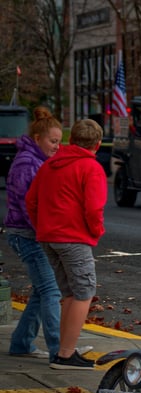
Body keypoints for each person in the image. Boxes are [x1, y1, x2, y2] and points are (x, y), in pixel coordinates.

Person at [26, 119, 107, 370]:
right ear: (98, 144)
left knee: (69, 293)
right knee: (84, 291)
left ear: (70, 141)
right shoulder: (90, 168)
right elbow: (94, 207)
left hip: (49, 236)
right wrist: (97, 231)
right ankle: (66, 354)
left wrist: (42, 226)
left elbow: (31, 201)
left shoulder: (50, 165)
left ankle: (62, 351)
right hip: (74, 237)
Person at [5, 107, 63, 361]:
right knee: (51, 291)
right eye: (53, 141)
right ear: (38, 138)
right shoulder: (29, 163)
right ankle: (59, 349)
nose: (57, 147)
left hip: (28, 233)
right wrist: (47, 232)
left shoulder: (34, 160)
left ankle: (22, 342)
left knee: (43, 291)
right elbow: (30, 204)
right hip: (28, 234)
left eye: (59, 142)